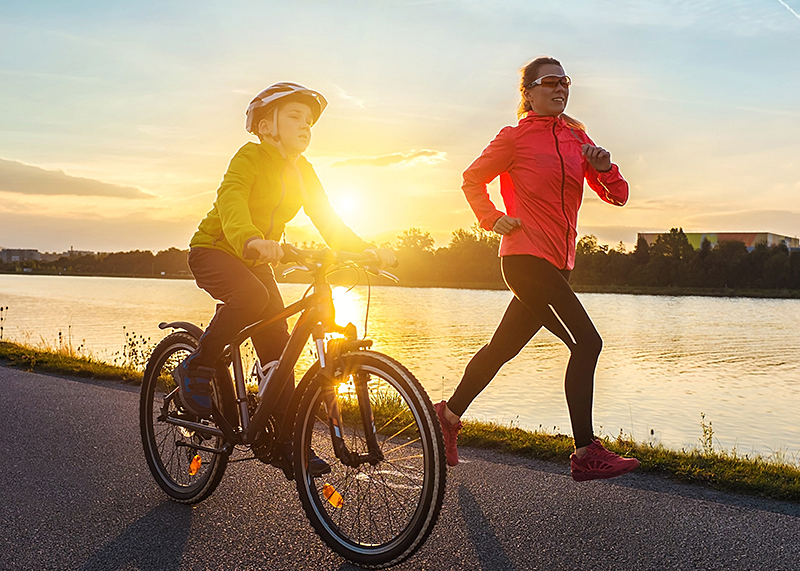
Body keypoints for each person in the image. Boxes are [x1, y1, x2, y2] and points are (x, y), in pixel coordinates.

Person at [434, 57, 639, 481]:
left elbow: (618, 196)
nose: (561, 88)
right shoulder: (515, 138)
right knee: (587, 343)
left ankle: (447, 415)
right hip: (524, 259)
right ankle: (585, 451)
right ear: (528, 92)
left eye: (565, 81)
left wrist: (604, 169)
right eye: (550, 82)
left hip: (558, 265)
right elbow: (472, 178)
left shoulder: (576, 137)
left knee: (501, 350)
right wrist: (491, 218)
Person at [176, 82, 395, 474]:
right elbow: (232, 199)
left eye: (309, 120)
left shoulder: (303, 170)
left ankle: (286, 443)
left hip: (257, 258)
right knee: (252, 298)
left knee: (280, 352)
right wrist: (251, 239)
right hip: (215, 249)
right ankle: (198, 366)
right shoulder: (249, 157)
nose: (305, 125)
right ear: (264, 126)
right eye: (294, 116)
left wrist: (364, 249)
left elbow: (326, 217)